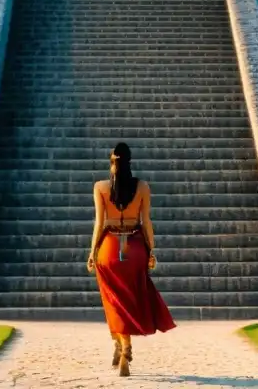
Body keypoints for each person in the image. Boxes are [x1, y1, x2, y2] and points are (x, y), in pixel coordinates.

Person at [87, 142, 175, 377]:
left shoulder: (101, 187)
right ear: (129, 162)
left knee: (113, 300)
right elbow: (146, 222)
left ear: (111, 163)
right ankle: (120, 345)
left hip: (109, 247)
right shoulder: (143, 187)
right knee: (130, 299)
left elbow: (99, 222)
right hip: (135, 247)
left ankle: (123, 344)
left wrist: (92, 251)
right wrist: (152, 251)